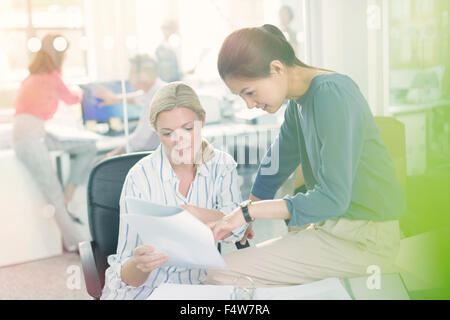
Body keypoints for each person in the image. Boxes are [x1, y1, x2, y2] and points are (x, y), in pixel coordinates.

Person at [187, 24, 406, 287]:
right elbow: (275, 164)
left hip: (365, 240)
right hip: (333, 230)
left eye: (250, 92)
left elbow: (333, 198)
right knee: (227, 270)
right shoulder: (298, 103)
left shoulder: (332, 95)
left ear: (276, 69)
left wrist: (248, 212)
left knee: (220, 275)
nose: (249, 105)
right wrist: (246, 215)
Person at [101, 82, 248, 300]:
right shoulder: (139, 177)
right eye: (168, 133)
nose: (180, 141)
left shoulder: (222, 166)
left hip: (200, 288)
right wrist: (139, 265)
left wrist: (194, 212)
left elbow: (237, 232)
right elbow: (125, 275)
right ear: (157, 131)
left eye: (188, 129)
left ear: (203, 120)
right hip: (148, 290)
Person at [12, 33, 95, 251]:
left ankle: (69, 193)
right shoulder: (51, 76)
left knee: (87, 146)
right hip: (30, 137)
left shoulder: (33, 77)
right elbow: (72, 98)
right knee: (53, 192)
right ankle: (77, 243)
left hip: (36, 133)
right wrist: (82, 90)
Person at [93, 54, 165, 157]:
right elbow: (139, 98)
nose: (129, 77)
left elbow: (139, 140)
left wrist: (110, 156)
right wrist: (114, 99)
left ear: (142, 75)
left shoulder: (155, 98)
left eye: (131, 72)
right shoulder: (158, 89)